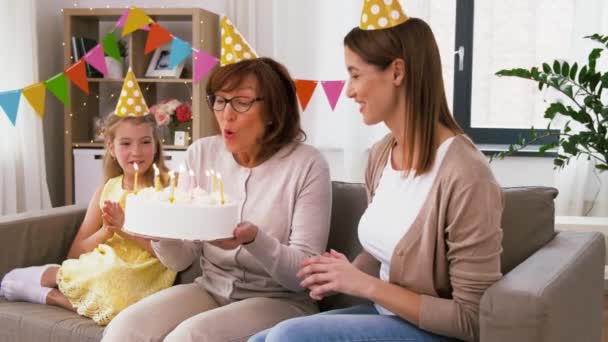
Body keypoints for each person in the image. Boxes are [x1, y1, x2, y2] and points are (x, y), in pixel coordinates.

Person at [250, 3, 503, 342]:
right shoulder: (382, 155)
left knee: (286, 338)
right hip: (387, 317)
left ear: (397, 72)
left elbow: (473, 320)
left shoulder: (467, 175)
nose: (350, 90)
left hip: (437, 332)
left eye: (355, 74)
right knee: (259, 340)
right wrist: (338, 275)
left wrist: (363, 284)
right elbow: (380, 251)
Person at [102, 56, 332, 342]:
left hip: (281, 300)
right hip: (210, 288)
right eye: (220, 100)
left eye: (241, 102)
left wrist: (253, 240)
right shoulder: (202, 153)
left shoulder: (307, 165)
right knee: (124, 328)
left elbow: (303, 275)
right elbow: (181, 260)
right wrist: (159, 230)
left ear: (274, 109)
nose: (226, 114)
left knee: (186, 338)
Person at [0, 113, 176, 326]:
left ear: (156, 145)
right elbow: (75, 253)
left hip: (147, 272)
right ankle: (52, 277)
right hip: (104, 266)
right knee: (105, 273)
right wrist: (107, 230)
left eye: (145, 142)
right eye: (126, 143)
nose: (136, 152)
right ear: (112, 148)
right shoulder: (107, 190)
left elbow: (170, 253)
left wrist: (124, 227)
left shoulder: (170, 187)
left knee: (121, 299)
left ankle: (51, 296)